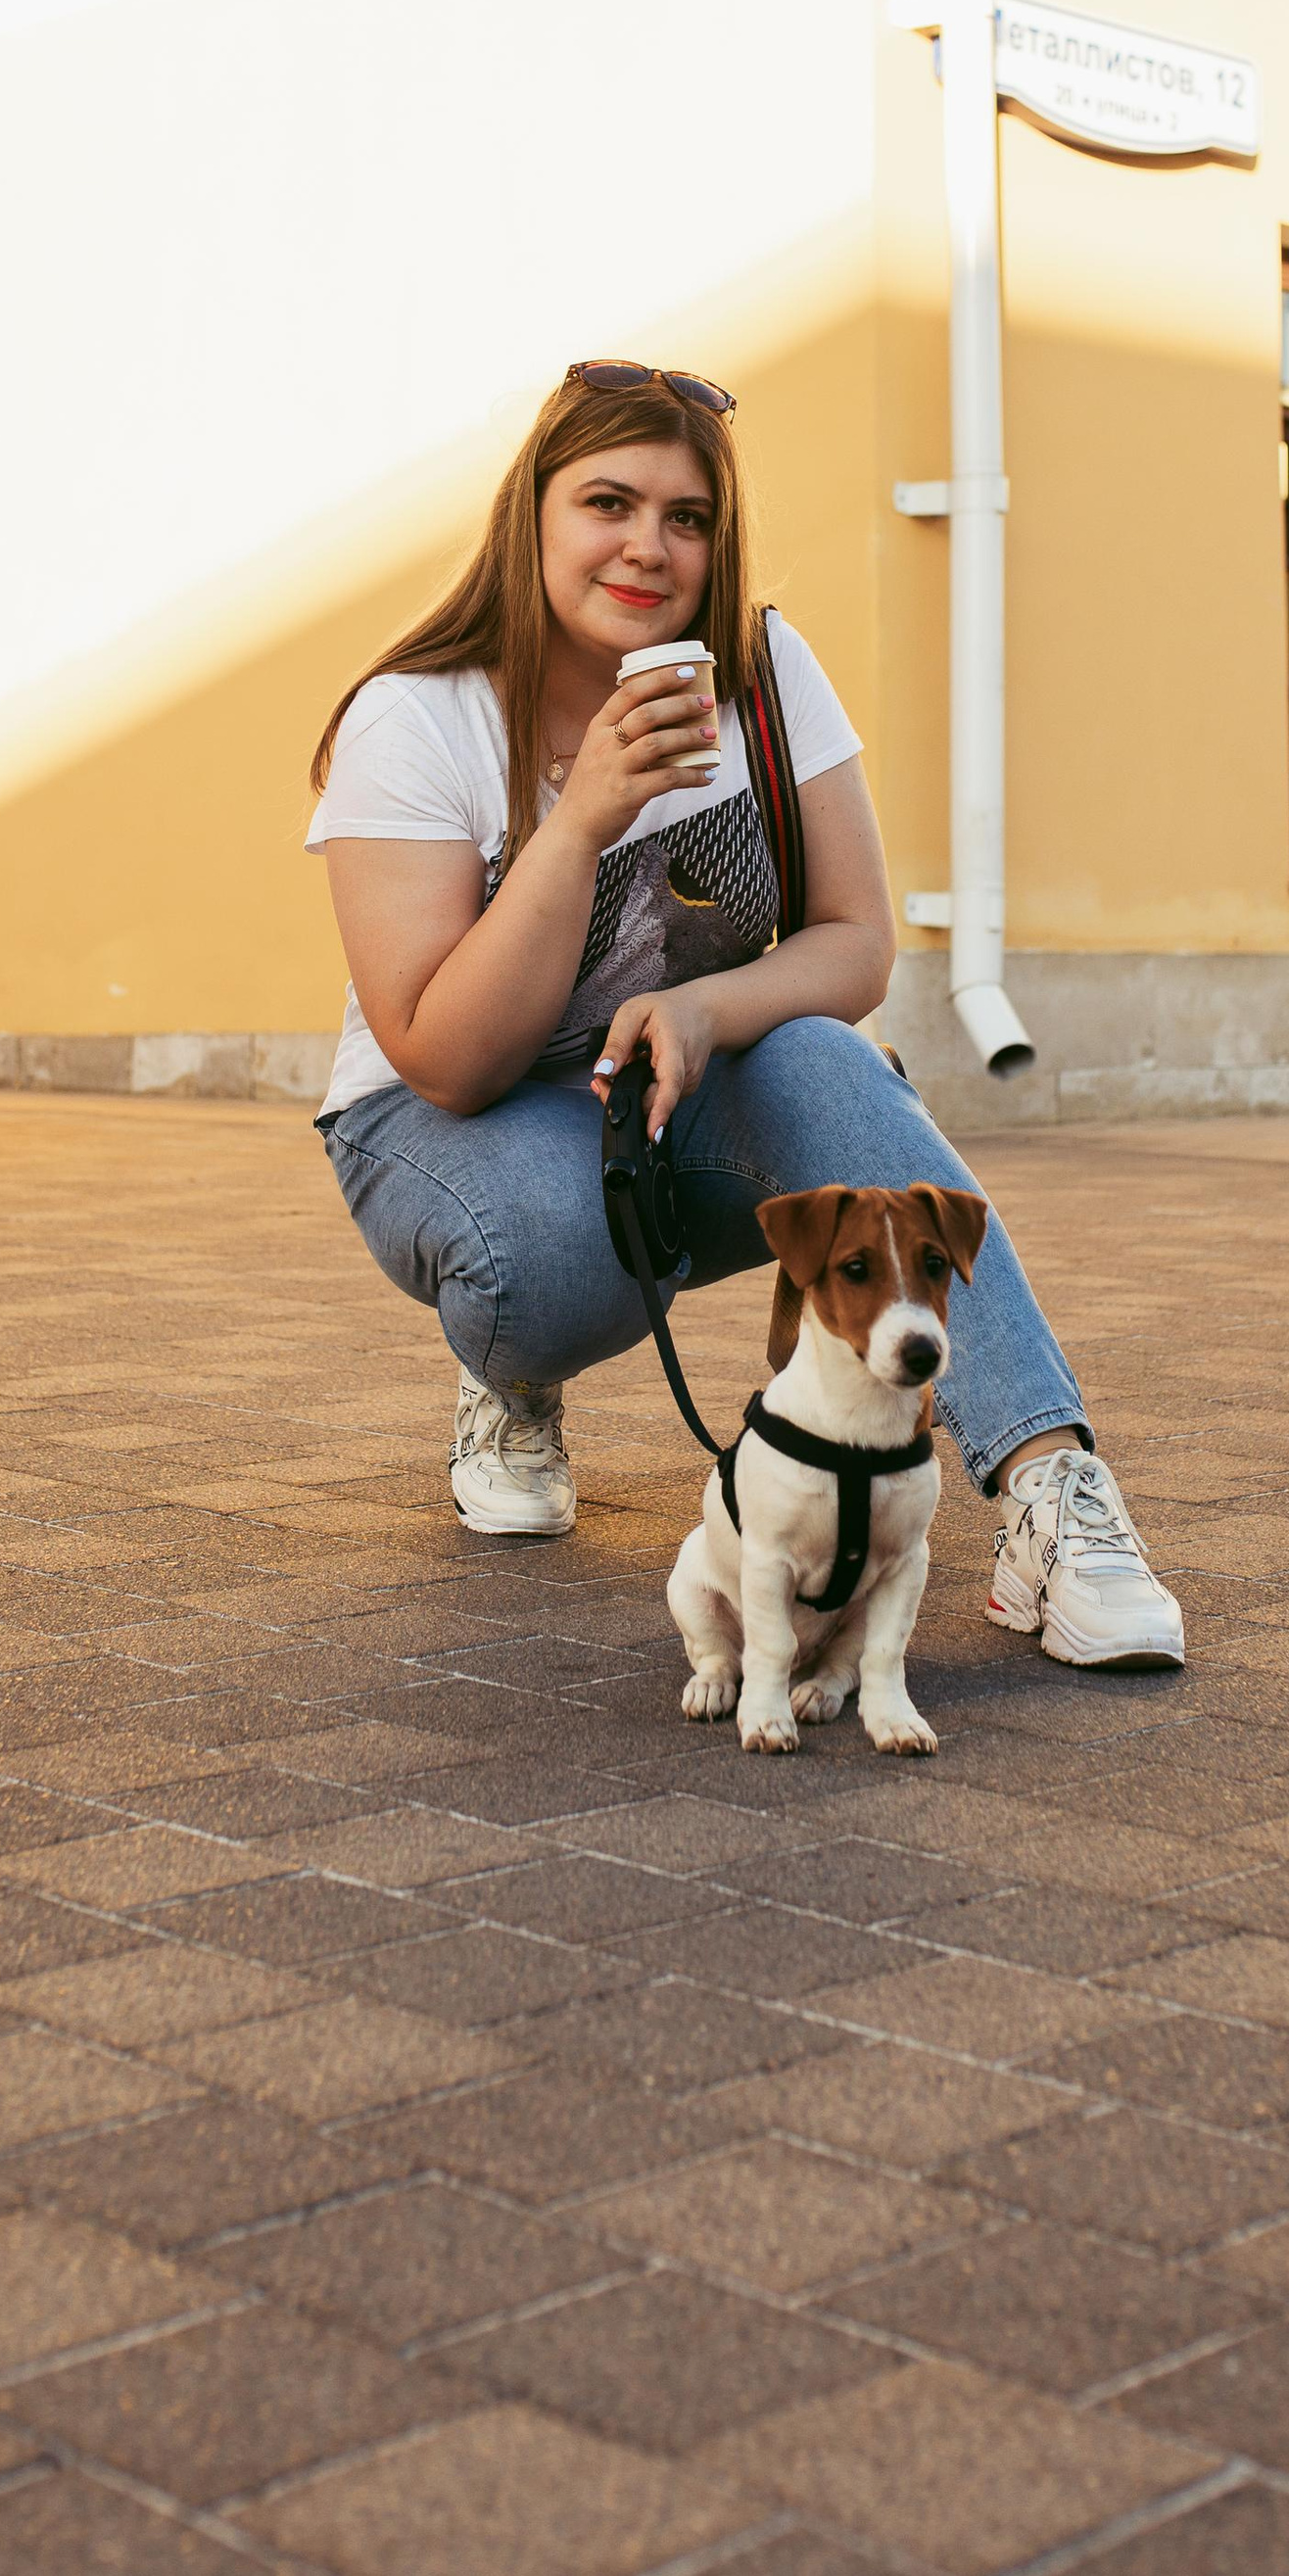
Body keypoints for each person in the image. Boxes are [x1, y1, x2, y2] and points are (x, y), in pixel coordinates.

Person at [306, 361, 1183, 1672]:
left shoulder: (763, 675)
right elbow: (446, 1058)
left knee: (826, 1060)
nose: (648, 547)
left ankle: (1051, 1489)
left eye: (689, 517)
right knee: (539, 1247)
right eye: (608, 502)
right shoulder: (421, 718)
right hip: (449, 1130)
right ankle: (511, 1380)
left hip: (665, 1099)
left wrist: (708, 1005)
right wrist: (584, 816)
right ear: (531, 513)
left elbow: (857, 942)